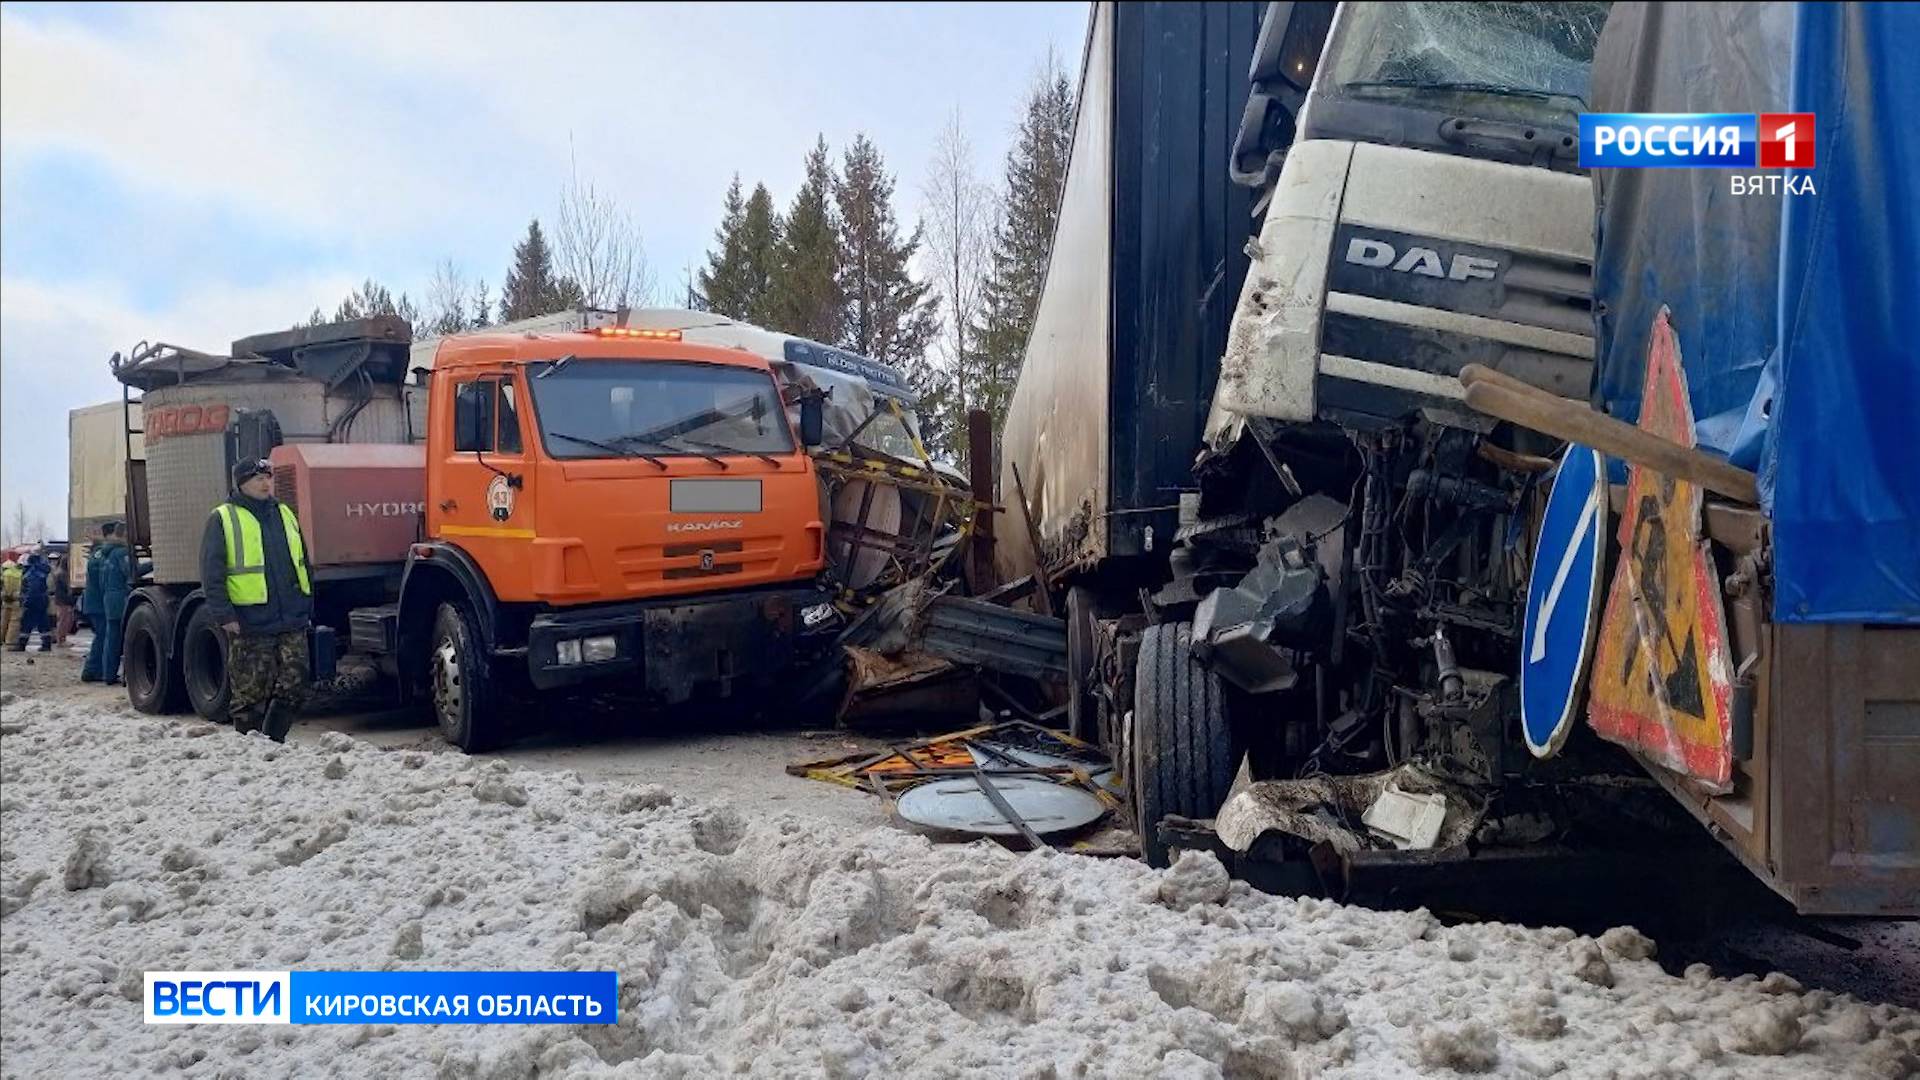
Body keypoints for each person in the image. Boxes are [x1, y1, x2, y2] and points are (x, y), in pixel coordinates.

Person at [202, 458, 313, 741]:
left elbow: (302, 562)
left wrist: (307, 604)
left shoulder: (284, 513)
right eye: (258, 479)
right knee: (250, 692)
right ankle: (250, 751)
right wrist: (224, 615)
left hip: (291, 617)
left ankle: (273, 741)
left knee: (295, 682)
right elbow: (211, 572)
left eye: (268, 477)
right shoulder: (223, 518)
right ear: (241, 484)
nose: (266, 484)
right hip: (249, 620)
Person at [81, 523, 131, 684]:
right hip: (99, 602)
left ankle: (98, 670)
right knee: (104, 637)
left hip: (100, 601)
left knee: (104, 637)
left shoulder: (102, 554)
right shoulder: (106, 554)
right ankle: (92, 670)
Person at [13, 552, 53, 652]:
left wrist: (26, 601)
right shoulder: (43, 570)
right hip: (43, 600)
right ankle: (46, 644)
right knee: (43, 622)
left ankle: (21, 645)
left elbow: (32, 589)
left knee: (26, 622)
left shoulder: (31, 572)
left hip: (33, 601)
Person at [51, 555, 75, 646]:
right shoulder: (63, 574)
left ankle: (62, 639)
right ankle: (61, 640)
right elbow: (67, 588)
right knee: (64, 620)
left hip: (61, 599)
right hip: (63, 600)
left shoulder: (59, 572)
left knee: (64, 620)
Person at [0, 558, 20, 647]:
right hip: (16, 599)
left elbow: (5, 587)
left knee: (4, 620)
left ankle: (1, 638)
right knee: (14, 621)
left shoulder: (4, 574)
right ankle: (10, 640)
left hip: (6, 599)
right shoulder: (19, 574)